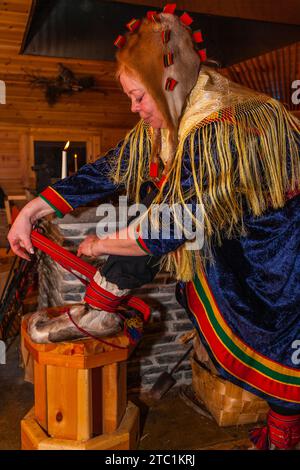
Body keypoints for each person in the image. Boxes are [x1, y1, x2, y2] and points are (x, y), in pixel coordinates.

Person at [8, 5, 300, 449]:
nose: (134, 108)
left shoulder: (222, 124)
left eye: (138, 96)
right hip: (248, 254)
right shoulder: (176, 117)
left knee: (282, 356)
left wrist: (100, 243)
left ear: (168, 83)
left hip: (278, 263)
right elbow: (113, 168)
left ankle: (285, 439)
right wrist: (33, 209)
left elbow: (171, 224)